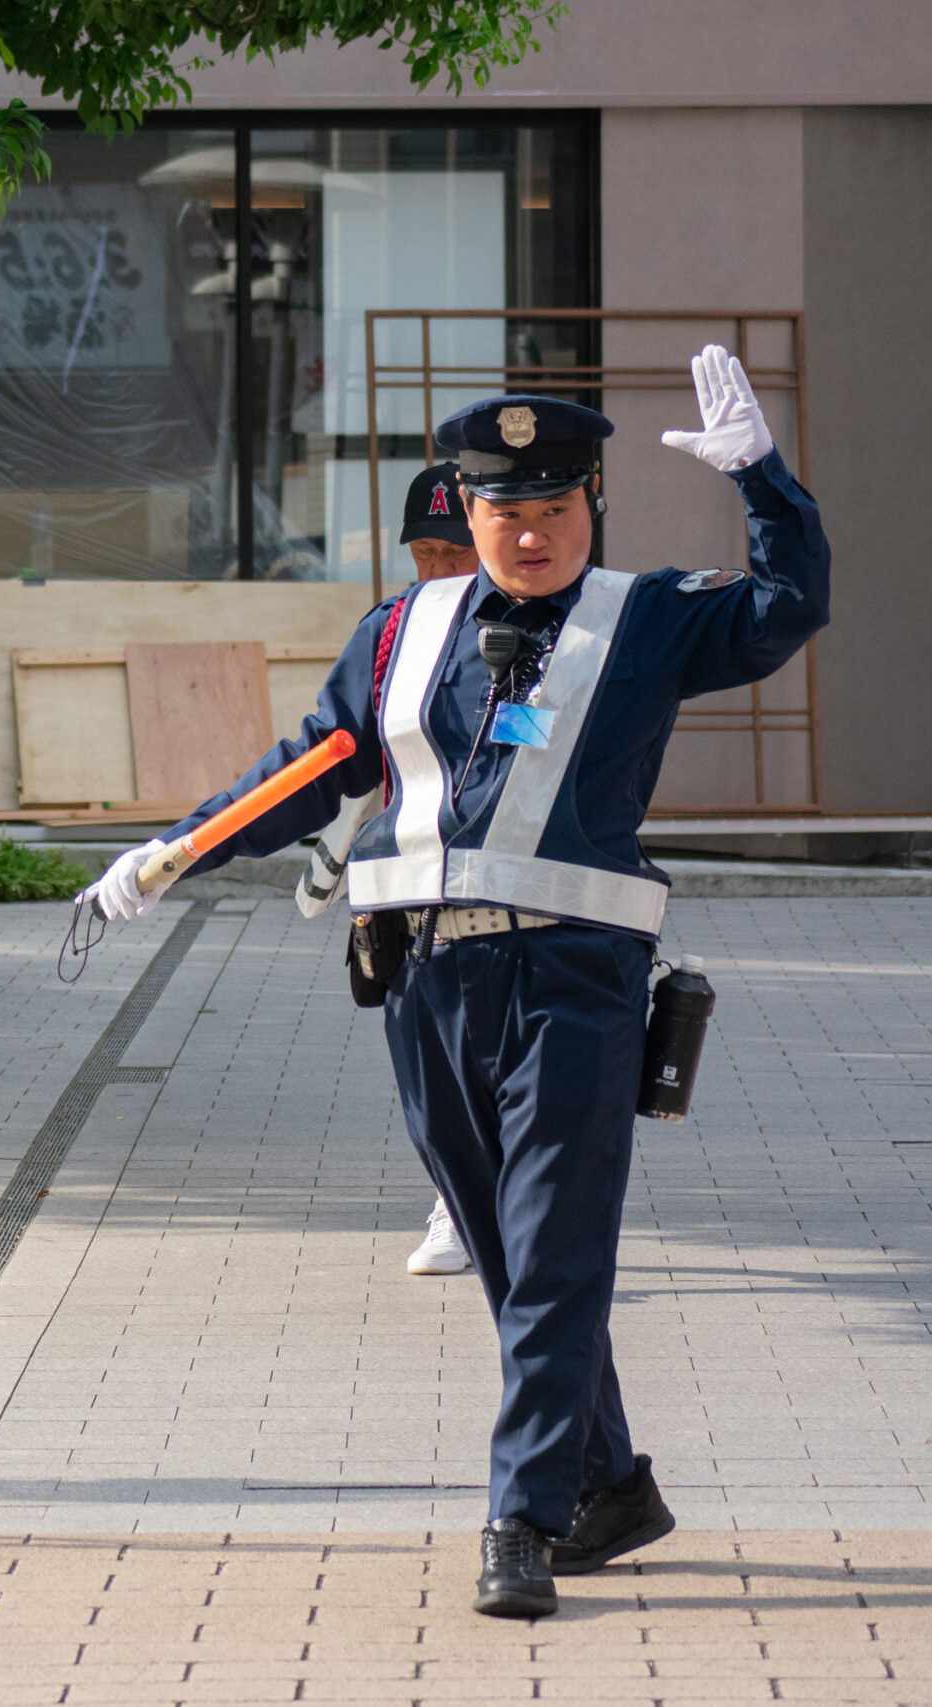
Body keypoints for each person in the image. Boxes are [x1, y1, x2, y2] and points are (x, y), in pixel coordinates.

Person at [82, 348, 827, 1618]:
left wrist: (760, 477)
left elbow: (787, 606)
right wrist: (176, 850)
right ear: (462, 510)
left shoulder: (645, 620)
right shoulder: (400, 630)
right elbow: (313, 764)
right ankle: (612, 1488)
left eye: (552, 508)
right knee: (498, 1249)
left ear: (592, 506)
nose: (528, 533)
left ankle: (520, 1520)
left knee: (553, 1250)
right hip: (426, 981)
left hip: (577, 980)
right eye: (502, 510)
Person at [298, 462, 480, 1278]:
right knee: (431, 1075)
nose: (440, 569)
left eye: (457, 552)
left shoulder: (547, 632)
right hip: (407, 889)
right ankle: (459, 1203)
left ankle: (500, 1217)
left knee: (509, 1072)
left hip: (515, 891)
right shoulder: (388, 632)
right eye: (427, 551)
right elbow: (333, 755)